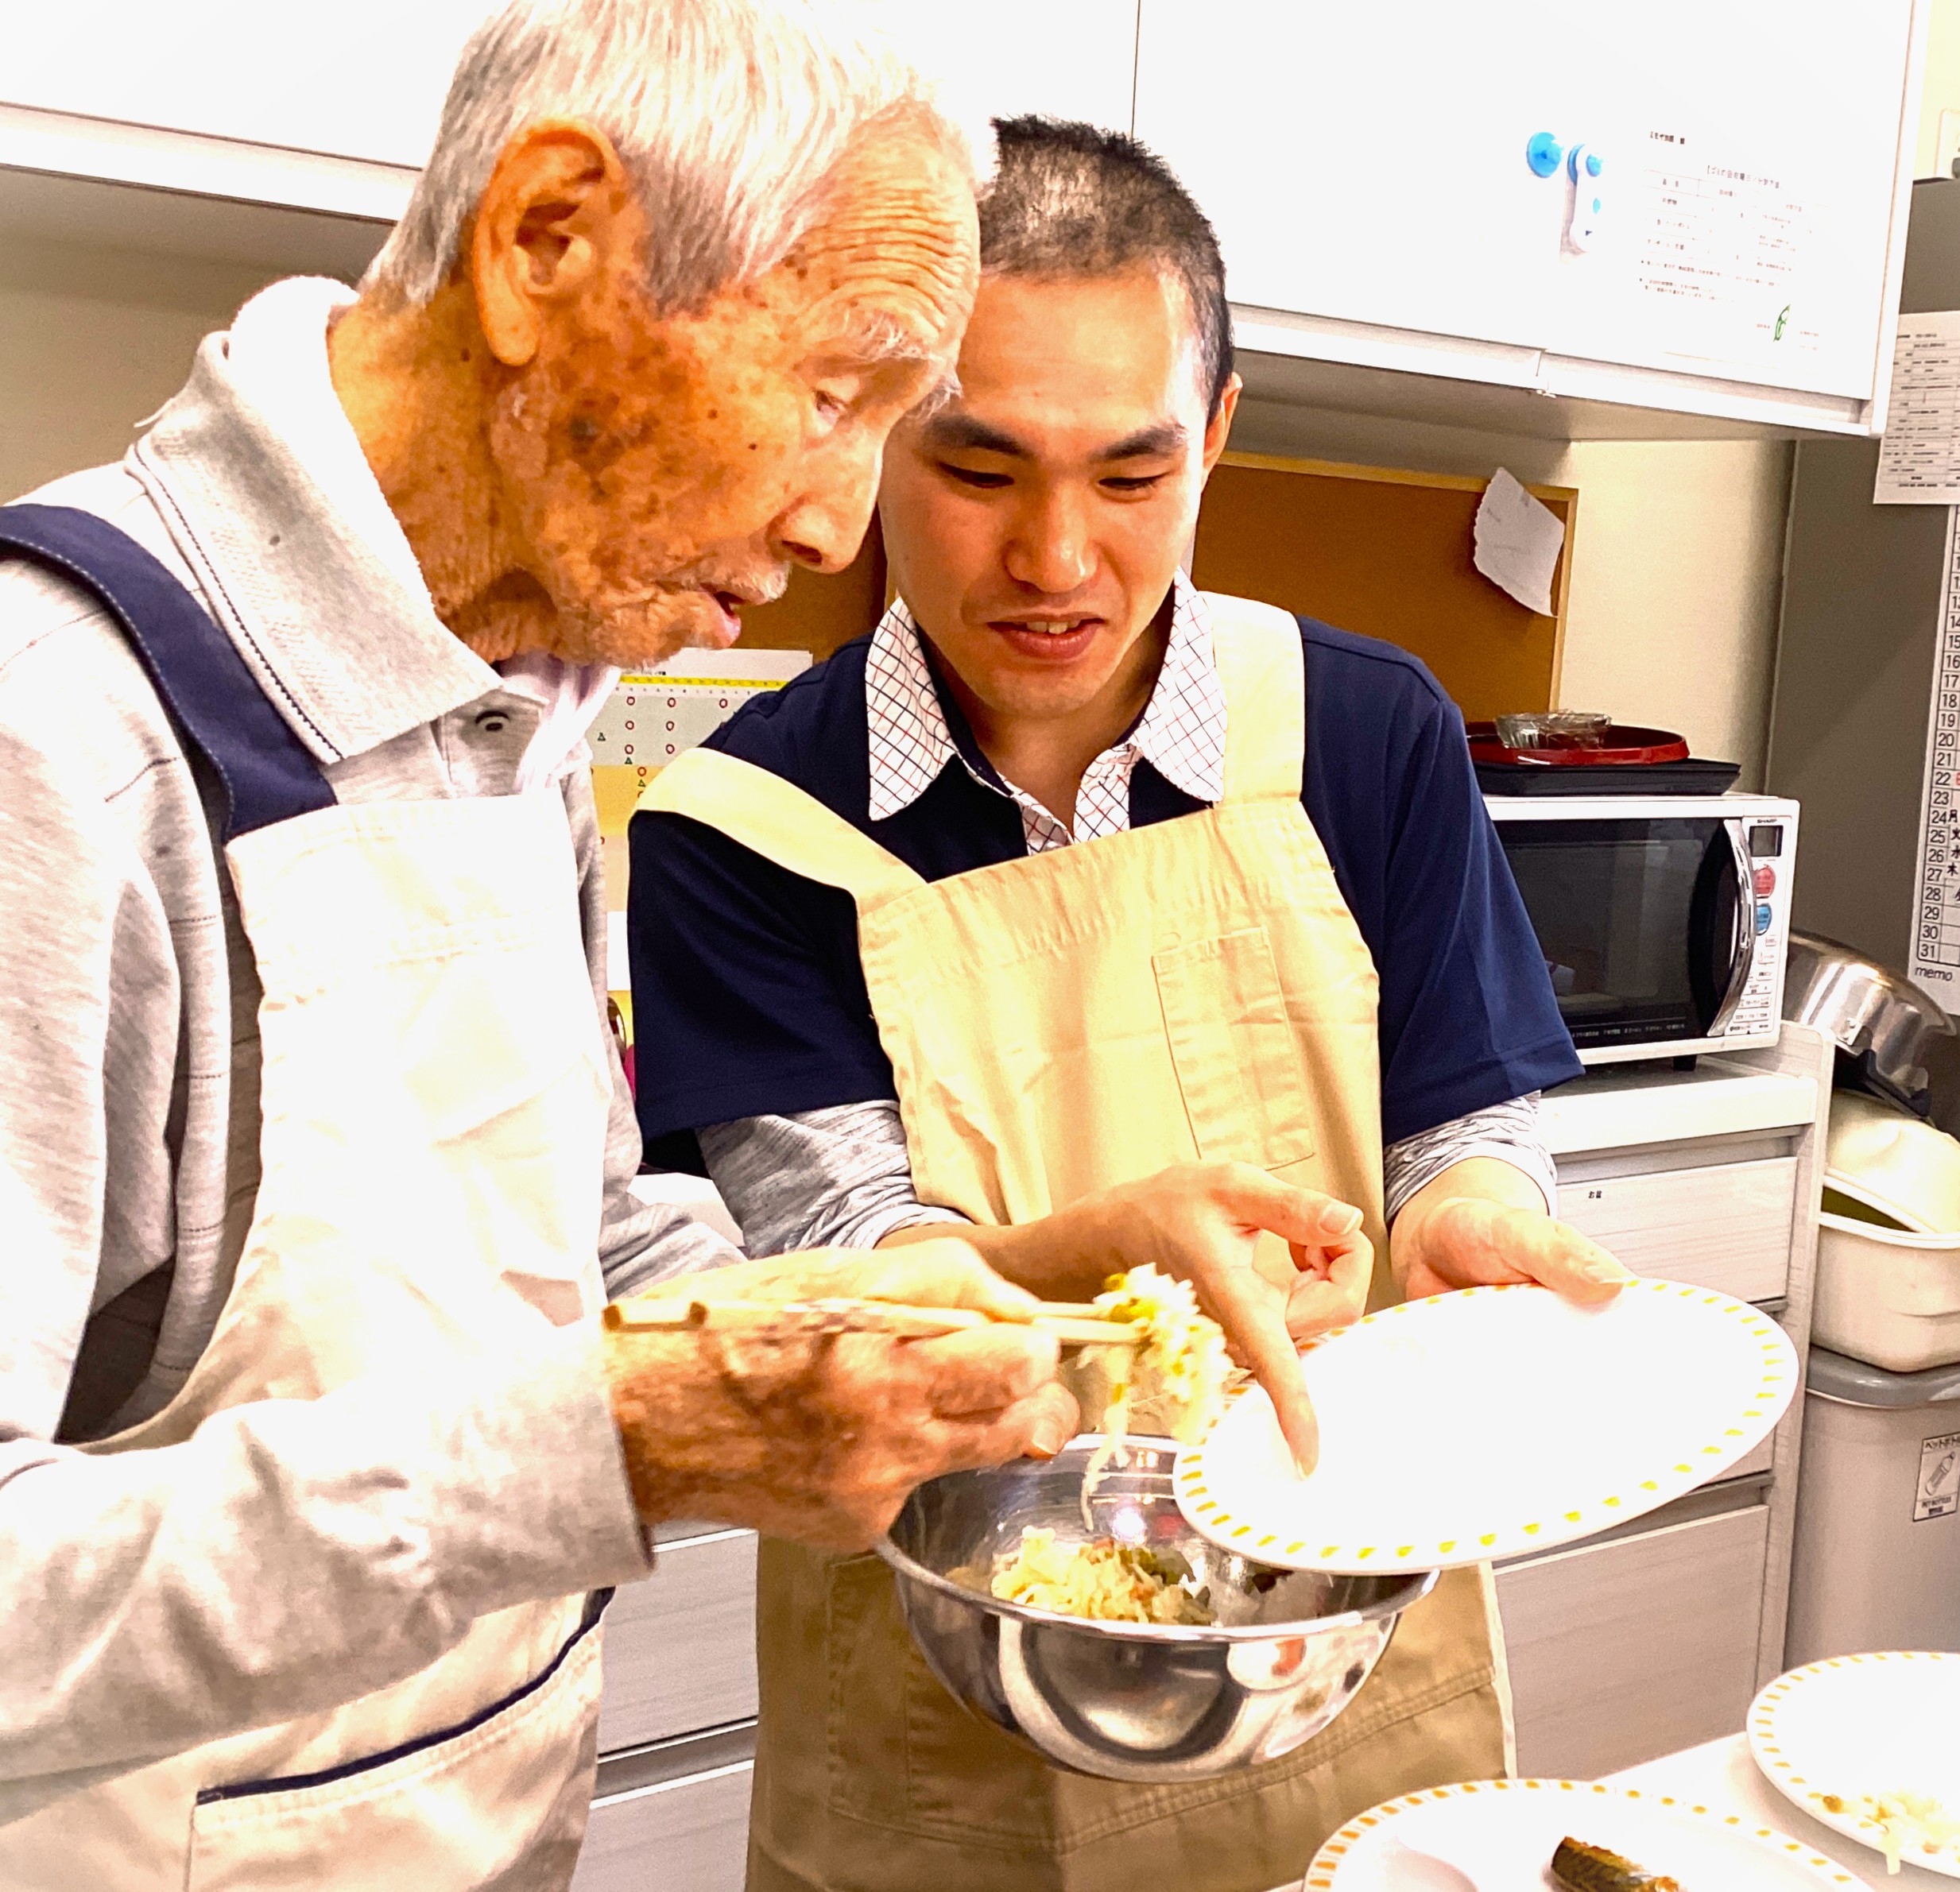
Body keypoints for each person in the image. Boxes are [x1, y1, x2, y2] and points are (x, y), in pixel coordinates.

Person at [0, 6, 1082, 1886]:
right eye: (837, 393)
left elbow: (573, 1247)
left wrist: (869, 1320)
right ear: (549, 241)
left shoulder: (528, 688)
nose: (844, 527)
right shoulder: (59, 737)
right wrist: (628, 1444)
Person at [626, 119, 1633, 1892]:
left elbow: (1460, 1119)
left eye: (1131, 474)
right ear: (871, 424)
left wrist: (1471, 1218)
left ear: (1217, 432)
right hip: (949, 1715)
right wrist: (1108, 1249)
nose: (1057, 560)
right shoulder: (743, 829)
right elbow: (875, 1272)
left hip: (1345, 1670)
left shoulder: (1366, 732)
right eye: (977, 465)